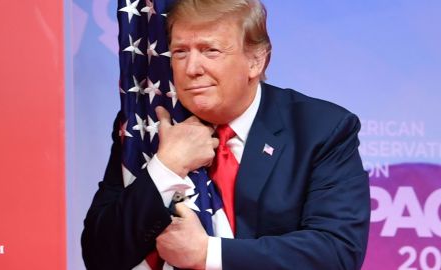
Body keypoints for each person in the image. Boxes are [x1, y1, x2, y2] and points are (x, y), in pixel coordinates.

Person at [81, 0, 371, 269]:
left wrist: (208, 253)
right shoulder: (147, 127)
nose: (191, 68)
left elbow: (337, 251)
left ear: (256, 61)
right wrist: (165, 167)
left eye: (211, 51)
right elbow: (100, 255)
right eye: (180, 52)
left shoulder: (321, 129)